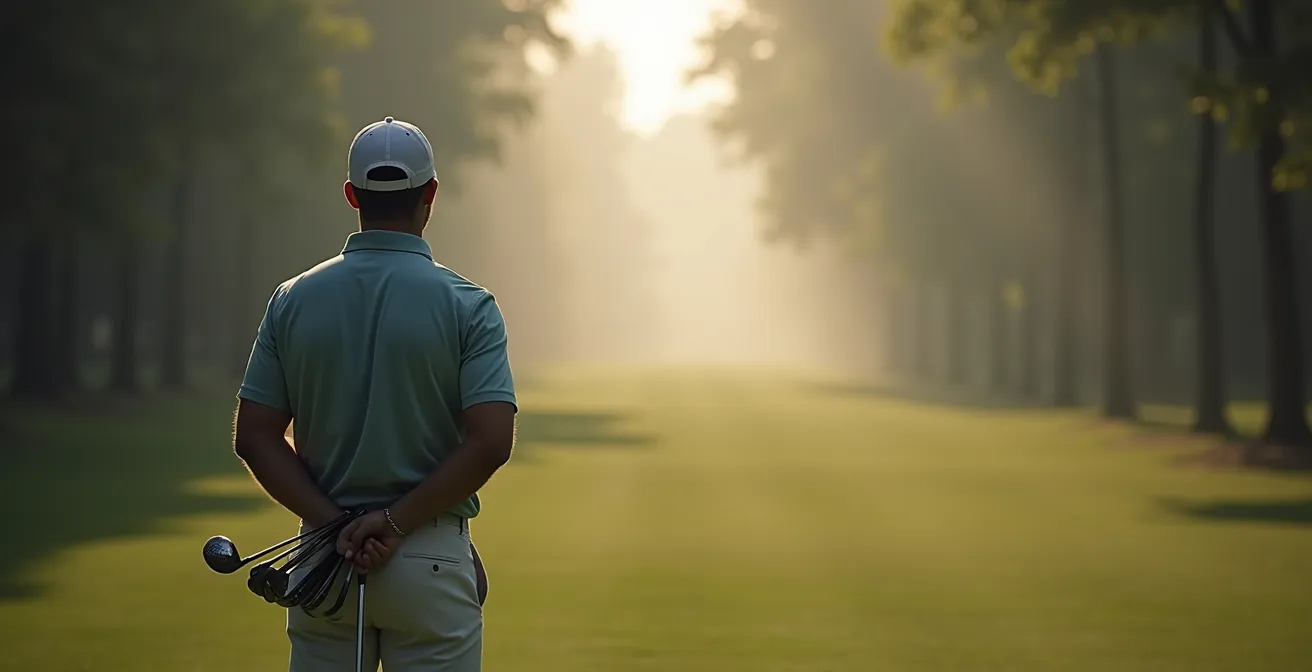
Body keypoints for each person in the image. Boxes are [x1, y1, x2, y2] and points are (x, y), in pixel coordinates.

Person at [232, 116, 517, 671]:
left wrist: (336, 525)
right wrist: (392, 523)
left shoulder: (292, 299)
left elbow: (256, 438)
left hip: (324, 558)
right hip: (430, 556)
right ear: (430, 194)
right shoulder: (469, 305)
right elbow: (490, 442)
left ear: (351, 195)